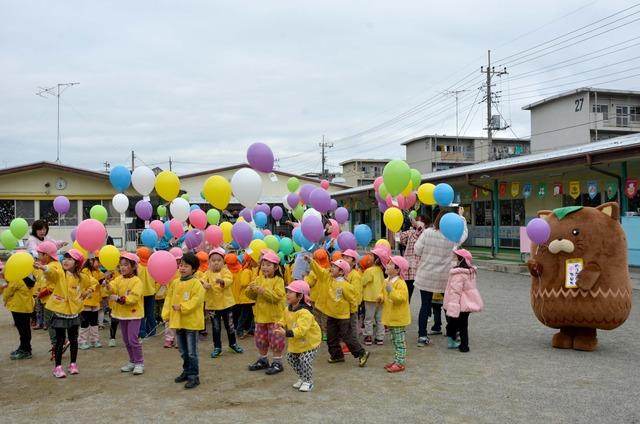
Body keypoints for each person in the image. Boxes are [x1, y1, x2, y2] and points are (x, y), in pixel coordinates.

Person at [413, 207, 468, 347]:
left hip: (426, 274)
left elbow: (417, 250)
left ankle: (422, 336)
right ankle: (453, 334)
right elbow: (464, 234)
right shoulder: (453, 235)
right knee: (449, 305)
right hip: (445, 276)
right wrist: (462, 218)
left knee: (425, 305)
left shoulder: (427, 233)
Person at [306, 255, 370, 367]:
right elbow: (319, 271)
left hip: (343, 317)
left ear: (341, 272)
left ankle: (362, 353)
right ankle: (337, 356)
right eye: (332, 266)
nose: (331, 268)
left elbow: (352, 300)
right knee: (331, 337)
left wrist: (352, 312)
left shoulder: (346, 286)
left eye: (335, 267)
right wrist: (311, 262)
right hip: (331, 315)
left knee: (347, 337)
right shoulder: (328, 277)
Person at [38, 249, 89, 378]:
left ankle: (73, 364)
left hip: (74, 312)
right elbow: (52, 274)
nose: (66, 261)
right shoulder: (60, 273)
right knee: (60, 340)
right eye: (65, 258)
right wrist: (45, 268)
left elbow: (90, 283)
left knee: (73, 339)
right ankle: (58, 367)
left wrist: (87, 292)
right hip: (60, 311)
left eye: (70, 259)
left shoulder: (81, 277)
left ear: (77, 263)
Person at [162, 252, 205, 389]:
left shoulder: (196, 284)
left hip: (192, 323)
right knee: (182, 350)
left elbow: (197, 301)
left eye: (186, 266)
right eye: (181, 265)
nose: (182, 268)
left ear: (194, 269)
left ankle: (194, 376)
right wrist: (166, 314)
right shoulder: (175, 283)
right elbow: (168, 299)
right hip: (178, 322)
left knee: (192, 352)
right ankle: (186, 371)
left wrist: (182, 307)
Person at [274, 280, 321, 392]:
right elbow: (284, 318)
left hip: (310, 342)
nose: (287, 294)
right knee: (291, 358)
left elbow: (301, 330)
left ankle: (308, 381)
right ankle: (303, 377)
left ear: (300, 296)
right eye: (288, 291)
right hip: (297, 342)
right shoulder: (288, 308)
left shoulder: (305, 313)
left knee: (304, 359)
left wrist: (285, 333)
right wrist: (280, 324)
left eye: (291, 292)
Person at [246, 250, 286, 375]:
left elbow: (278, 296)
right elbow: (251, 296)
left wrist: (263, 291)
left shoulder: (279, 280)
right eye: (263, 264)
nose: (264, 267)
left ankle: (277, 362)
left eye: (268, 265)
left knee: (276, 340)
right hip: (260, 317)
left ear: (276, 267)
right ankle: (263, 360)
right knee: (261, 340)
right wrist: (251, 290)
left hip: (274, 317)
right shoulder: (258, 279)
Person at [106, 252, 145, 375]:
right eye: (121, 265)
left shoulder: (137, 281)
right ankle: (132, 361)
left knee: (133, 339)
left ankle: (139, 362)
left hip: (134, 314)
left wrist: (118, 298)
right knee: (126, 340)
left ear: (133, 266)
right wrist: (106, 284)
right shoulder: (118, 279)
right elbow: (112, 287)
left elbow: (133, 298)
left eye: (126, 265)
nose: (122, 267)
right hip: (122, 314)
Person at [203, 247, 243, 358]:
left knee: (230, 325)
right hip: (213, 306)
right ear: (209, 262)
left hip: (226, 305)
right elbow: (201, 280)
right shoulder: (207, 273)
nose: (216, 262)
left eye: (219, 260)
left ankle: (233, 344)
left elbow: (229, 280)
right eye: (213, 260)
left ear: (223, 262)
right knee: (216, 328)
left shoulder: (226, 271)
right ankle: (217, 347)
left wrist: (222, 281)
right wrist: (204, 284)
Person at [444, 249, 483, 353]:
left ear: (460, 259)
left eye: (455, 257)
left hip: (459, 303)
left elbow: (455, 292)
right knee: (464, 324)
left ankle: (455, 340)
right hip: (468, 302)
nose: (453, 258)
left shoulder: (458, 273)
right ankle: (464, 345)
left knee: (454, 323)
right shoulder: (471, 272)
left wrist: (453, 307)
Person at [34, 241, 66, 360]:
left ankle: (57, 346)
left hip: (52, 302)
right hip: (50, 301)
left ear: (46, 255)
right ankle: (61, 343)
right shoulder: (54, 264)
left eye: (39, 254)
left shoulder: (53, 265)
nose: (38, 256)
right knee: (55, 324)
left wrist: (44, 268)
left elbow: (53, 274)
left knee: (52, 325)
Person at [380, 256, 411, 373]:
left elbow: (400, 298)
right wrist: (380, 297)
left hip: (398, 318)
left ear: (397, 270)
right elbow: (383, 294)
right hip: (391, 317)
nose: (387, 265)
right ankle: (397, 360)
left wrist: (390, 291)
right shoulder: (387, 280)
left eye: (390, 264)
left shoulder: (401, 283)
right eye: (388, 263)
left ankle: (400, 363)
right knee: (394, 340)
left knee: (399, 342)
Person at [3, 261, 36, 360]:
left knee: (22, 329)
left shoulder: (17, 279)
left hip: (18, 307)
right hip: (27, 307)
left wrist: (5, 299)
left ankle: (25, 350)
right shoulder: (31, 277)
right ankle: (25, 347)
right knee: (25, 329)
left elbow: (7, 293)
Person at [361, 246, 389, 346]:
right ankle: (379, 337)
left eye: (372, 255)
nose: (369, 257)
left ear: (376, 259)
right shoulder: (381, 271)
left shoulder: (369, 271)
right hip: (380, 298)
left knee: (368, 318)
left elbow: (363, 282)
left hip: (370, 298)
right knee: (379, 318)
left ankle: (368, 336)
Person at [399, 215, 430, 303]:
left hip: (421, 267)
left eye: (421, 221)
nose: (418, 222)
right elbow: (399, 238)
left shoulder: (426, 233)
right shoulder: (410, 232)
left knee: (425, 296)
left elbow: (421, 229)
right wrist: (397, 228)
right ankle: (405, 312)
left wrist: (417, 225)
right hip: (409, 267)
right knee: (407, 293)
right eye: (417, 221)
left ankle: (426, 311)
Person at [79, 256, 104, 349]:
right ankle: (82, 341)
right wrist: (99, 281)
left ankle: (95, 340)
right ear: (91, 261)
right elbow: (91, 281)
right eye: (98, 262)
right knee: (85, 321)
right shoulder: (85, 270)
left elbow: (100, 282)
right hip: (86, 300)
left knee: (94, 321)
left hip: (95, 300)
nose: (100, 264)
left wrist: (105, 281)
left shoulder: (98, 272)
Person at [306, 249, 330, 340]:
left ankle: (318, 332)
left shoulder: (313, 272)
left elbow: (309, 283)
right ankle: (325, 333)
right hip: (325, 298)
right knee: (325, 316)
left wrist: (305, 278)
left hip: (315, 298)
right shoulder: (328, 271)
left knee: (316, 316)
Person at [233, 253, 256, 339]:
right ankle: (239, 330)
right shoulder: (246, 271)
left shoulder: (249, 270)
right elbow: (244, 283)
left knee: (250, 314)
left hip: (249, 298)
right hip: (246, 298)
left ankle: (250, 330)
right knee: (244, 315)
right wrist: (252, 282)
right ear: (249, 261)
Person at [137, 247, 157, 339]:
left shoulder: (137, 267)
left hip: (140, 293)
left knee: (141, 313)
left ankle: (142, 332)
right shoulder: (152, 266)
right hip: (151, 292)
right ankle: (152, 331)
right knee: (150, 313)